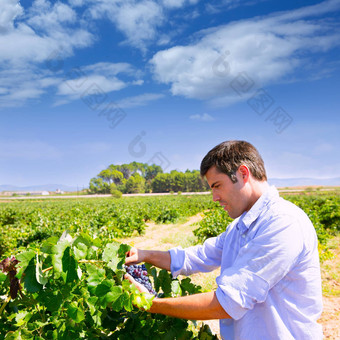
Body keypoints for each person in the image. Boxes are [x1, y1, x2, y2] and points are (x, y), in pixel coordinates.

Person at [125, 140, 323, 340]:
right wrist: (144, 255)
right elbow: (197, 256)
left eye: (217, 186)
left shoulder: (282, 224)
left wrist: (151, 303)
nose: (214, 197)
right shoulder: (240, 227)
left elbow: (229, 303)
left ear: (243, 174)